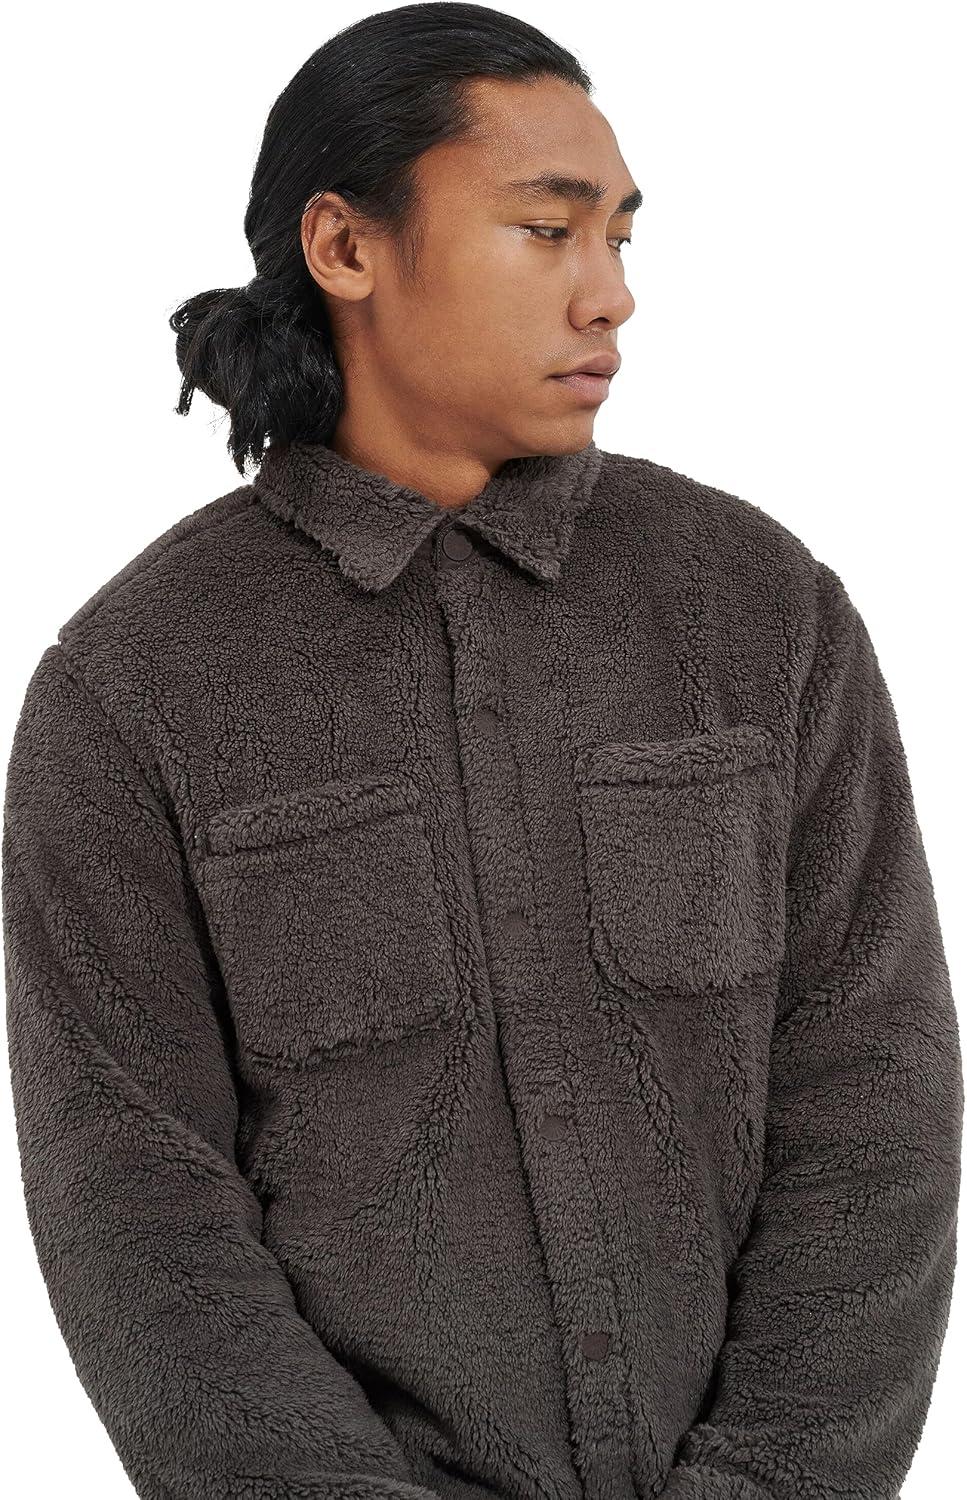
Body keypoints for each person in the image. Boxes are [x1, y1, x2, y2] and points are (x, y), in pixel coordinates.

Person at [3, 5, 961, 1499]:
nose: (611, 294)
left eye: (621, 237)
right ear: (345, 247)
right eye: (546, 229)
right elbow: (138, 1209)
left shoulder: (761, 611)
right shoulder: (134, 690)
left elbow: (875, 1097)